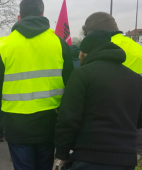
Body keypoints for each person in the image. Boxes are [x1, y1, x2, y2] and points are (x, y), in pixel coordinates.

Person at [0, 0, 74, 169]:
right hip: (49, 122)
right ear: (42, 15)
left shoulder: (4, 45)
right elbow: (70, 85)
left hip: (16, 124)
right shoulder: (59, 43)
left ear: (19, 17)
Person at [55, 30, 142, 170]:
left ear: (86, 53)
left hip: (89, 158)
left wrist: (61, 154)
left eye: (80, 53)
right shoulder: (136, 79)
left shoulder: (82, 74)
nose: (79, 57)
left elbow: (68, 119)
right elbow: (139, 119)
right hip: (126, 159)